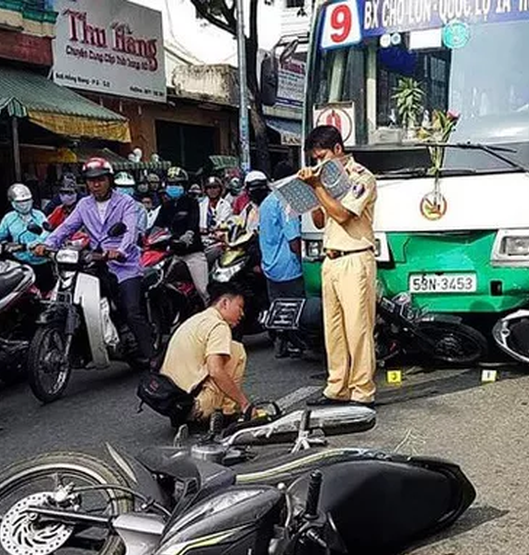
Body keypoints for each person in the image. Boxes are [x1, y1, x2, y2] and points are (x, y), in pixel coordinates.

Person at [35, 158, 154, 363]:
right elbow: (66, 228)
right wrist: (47, 244)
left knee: (131, 311)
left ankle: (153, 358)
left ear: (109, 180)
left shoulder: (125, 203)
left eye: (100, 179)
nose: (95, 184)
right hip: (96, 263)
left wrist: (120, 250)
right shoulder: (84, 204)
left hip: (125, 266)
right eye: (91, 181)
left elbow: (130, 230)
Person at [300, 125, 378, 407]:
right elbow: (322, 222)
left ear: (337, 149)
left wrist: (317, 187)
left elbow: (344, 215)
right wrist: (310, 196)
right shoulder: (326, 180)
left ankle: (362, 391)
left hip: (355, 258)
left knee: (358, 328)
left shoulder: (361, 177)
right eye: (315, 159)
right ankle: (337, 387)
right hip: (330, 259)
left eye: (322, 156)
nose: (319, 163)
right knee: (333, 329)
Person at [159, 284, 251, 421]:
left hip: (172, 403)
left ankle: (193, 412)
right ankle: (227, 411)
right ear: (225, 303)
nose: (242, 314)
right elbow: (215, 371)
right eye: (240, 307)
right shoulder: (218, 326)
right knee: (237, 350)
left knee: (226, 349)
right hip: (196, 405)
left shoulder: (195, 320)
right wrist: (245, 404)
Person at [258, 161, 303, 357]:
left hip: (270, 265)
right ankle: (295, 343)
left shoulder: (267, 202)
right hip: (288, 266)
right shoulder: (286, 201)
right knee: (295, 307)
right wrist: (303, 259)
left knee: (278, 307)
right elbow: (294, 239)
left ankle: (280, 341)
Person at [158, 166, 210, 304]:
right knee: (160, 283)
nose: (173, 187)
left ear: (184, 186)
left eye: (177, 184)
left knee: (203, 290)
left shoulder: (192, 203)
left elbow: (193, 222)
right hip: (174, 253)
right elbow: (157, 226)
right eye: (171, 184)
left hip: (193, 252)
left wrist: (188, 235)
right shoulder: (166, 206)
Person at [0, 183, 53, 293]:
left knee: (47, 293)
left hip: (41, 261)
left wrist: (37, 243)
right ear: (13, 203)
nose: (24, 204)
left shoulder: (39, 215)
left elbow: (47, 232)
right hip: (20, 262)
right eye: (20, 202)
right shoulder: (9, 218)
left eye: (27, 200)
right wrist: (4, 245)